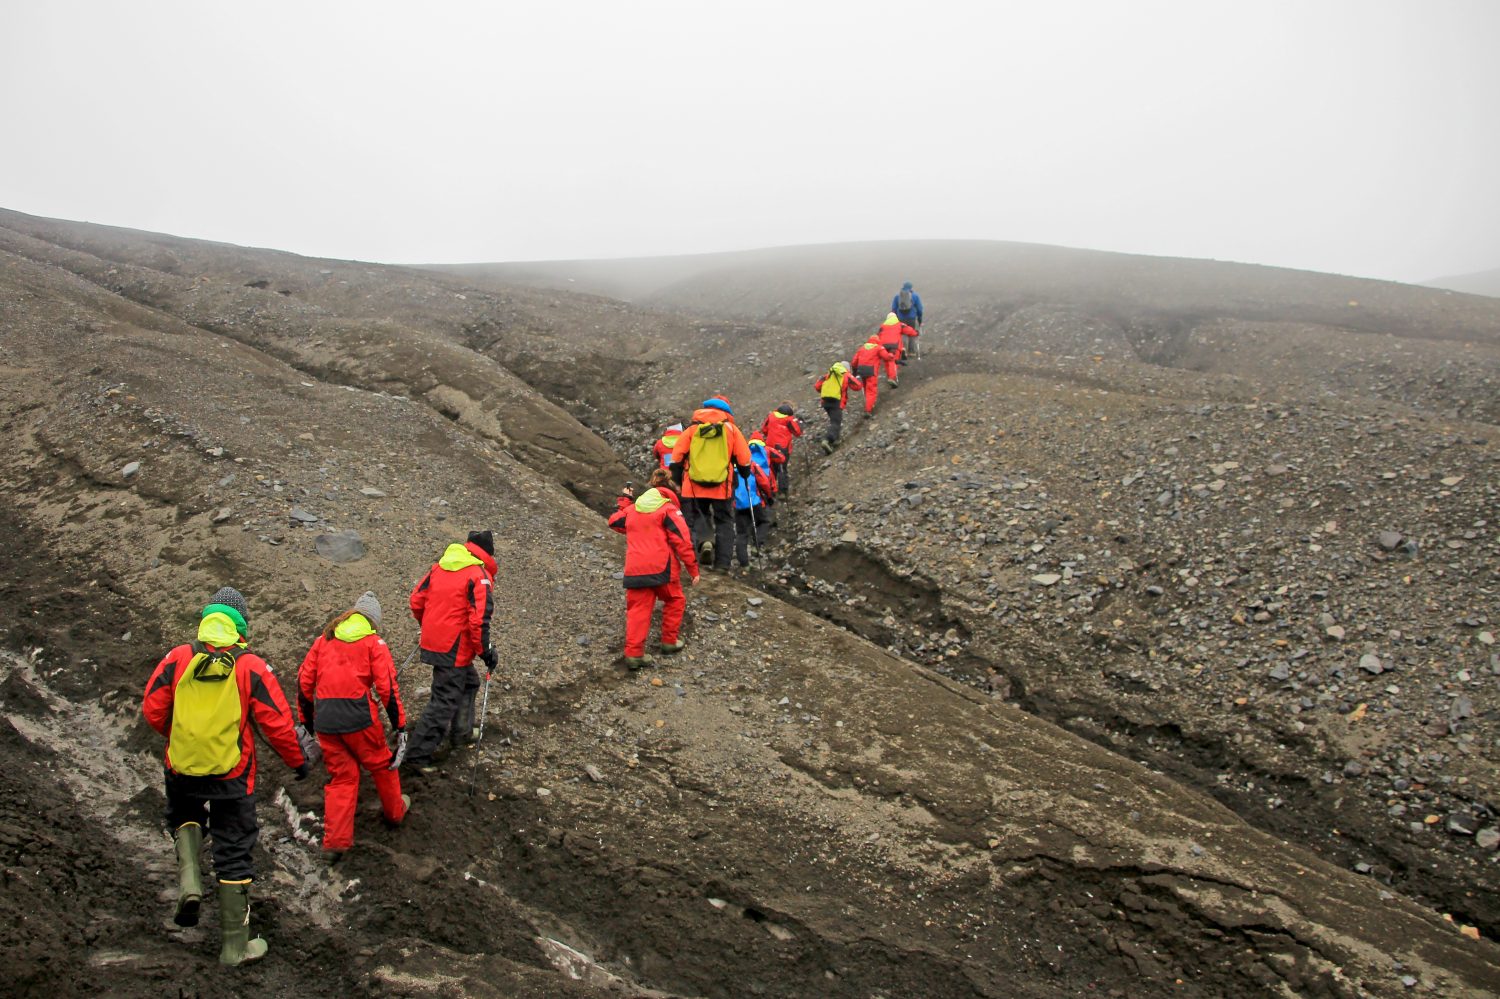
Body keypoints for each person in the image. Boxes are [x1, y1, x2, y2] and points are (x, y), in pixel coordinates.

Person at [142, 586, 308, 967]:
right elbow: (278, 725)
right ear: (240, 625)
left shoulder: (178, 657)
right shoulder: (250, 666)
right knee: (233, 849)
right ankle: (234, 947)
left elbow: (152, 709)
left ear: (205, 621)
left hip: (181, 766)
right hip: (233, 775)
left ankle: (190, 884)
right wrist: (298, 762)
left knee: (184, 816)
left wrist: (181, 736)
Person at [296, 591, 409, 861]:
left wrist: (307, 723)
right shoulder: (374, 643)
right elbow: (388, 690)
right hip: (359, 718)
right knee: (383, 763)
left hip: (326, 720)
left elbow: (303, 683)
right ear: (373, 622)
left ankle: (336, 842)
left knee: (343, 777)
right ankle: (395, 812)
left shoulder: (324, 640)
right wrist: (400, 727)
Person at [405, 530, 497, 772]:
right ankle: (416, 756)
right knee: (443, 700)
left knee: (468, 683)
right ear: (488, 554)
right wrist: (486, 651)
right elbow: (479, 621)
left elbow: (416, 600)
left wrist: (430, 627)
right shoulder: (479, 575)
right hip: (454, 648)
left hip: (436, 642)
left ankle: (462, 732)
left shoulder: (440, 567)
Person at [608, 468, 700, 668]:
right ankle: (669, 642)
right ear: (669, 493)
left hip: (635, 570)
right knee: (675, 599)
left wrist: (624, 501)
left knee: (638, 610)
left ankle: (634, 655)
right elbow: (683, 542)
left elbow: (614, 521)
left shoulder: (632, 510)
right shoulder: (668, 510)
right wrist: (693, 570)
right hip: (662, 570)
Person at [668, 396, 753, 571]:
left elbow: (676, 457)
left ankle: (705, 541)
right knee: (724, 521)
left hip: (693, 485)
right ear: (726, 412)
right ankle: (722, 564)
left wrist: (676, 479)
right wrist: (744, 474)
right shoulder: (732, 430)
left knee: (700, 514)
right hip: (723, 486)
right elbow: (744, 459)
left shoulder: (692, 429)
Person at [733, 437, 776, 568]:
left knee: (741, 533)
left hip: (738, 504)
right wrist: (769, 496)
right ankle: (757, 544)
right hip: (753, 501)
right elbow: (763, 481)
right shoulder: (751, 464)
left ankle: (743, 562)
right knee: (763, 521)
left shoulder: (729, 467)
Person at [813, 361, 861, 453]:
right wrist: (858, 379)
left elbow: (817, 386)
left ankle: (836, 440)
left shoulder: (829, 373)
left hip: (825, 402)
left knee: (834, 420)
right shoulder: (846, 374)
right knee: (836, 422)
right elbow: (857, 386)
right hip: (836, 401)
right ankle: (827, 440)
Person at [757, 402, 803, 496]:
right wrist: (801, 425)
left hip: (769, 446)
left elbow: (764, 429)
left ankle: (770, 489)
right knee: (782, 468)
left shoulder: (771, 416)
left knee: (772, 468)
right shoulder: (789, 420)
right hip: (783, 448)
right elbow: (797, 432)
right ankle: (783, 491)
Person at [850, 337, 894, 415]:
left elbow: (854, 361)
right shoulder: (878, 348)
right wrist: (891, 354)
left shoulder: (862, 348)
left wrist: (855, 371)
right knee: (871, 390)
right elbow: (886, 357)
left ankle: (868, 404)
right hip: (871, 370)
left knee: (866, 388)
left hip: (861, 370)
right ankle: (868, 410)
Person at [876, 313, 907, 385]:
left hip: (883, 346)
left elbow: (878, 336)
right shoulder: (899, 324)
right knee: (892, 361)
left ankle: (889, 376)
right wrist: (915, 333)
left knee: (887, 360)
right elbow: (907, 330)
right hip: (894, 346)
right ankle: (892, 378)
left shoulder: (882, 326)